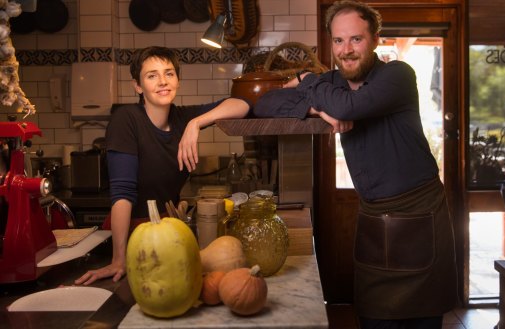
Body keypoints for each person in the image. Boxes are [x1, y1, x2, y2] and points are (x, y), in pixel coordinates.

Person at [254, 1, 457, 328]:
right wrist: (319, 110)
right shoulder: (330, 86)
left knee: (423, 320)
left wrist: (308, 79)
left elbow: (351, 106)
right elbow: (265, 103)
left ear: (375, 39)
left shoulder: (397, 75)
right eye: (338, 41)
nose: (346, 50)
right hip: (374, 217)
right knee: (373, 318)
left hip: (419, 216)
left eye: (356, 40)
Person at [75, 46, 250, 285]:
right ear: (138, 86)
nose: (162, 81)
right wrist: (118, 259)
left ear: (178, 80)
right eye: (152, 75)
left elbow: (241, 104)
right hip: (131, 235)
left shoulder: (183, 119)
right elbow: (122, 196)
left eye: (169, 73)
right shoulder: (126, 120)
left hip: (167, 233)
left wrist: (196, 124)